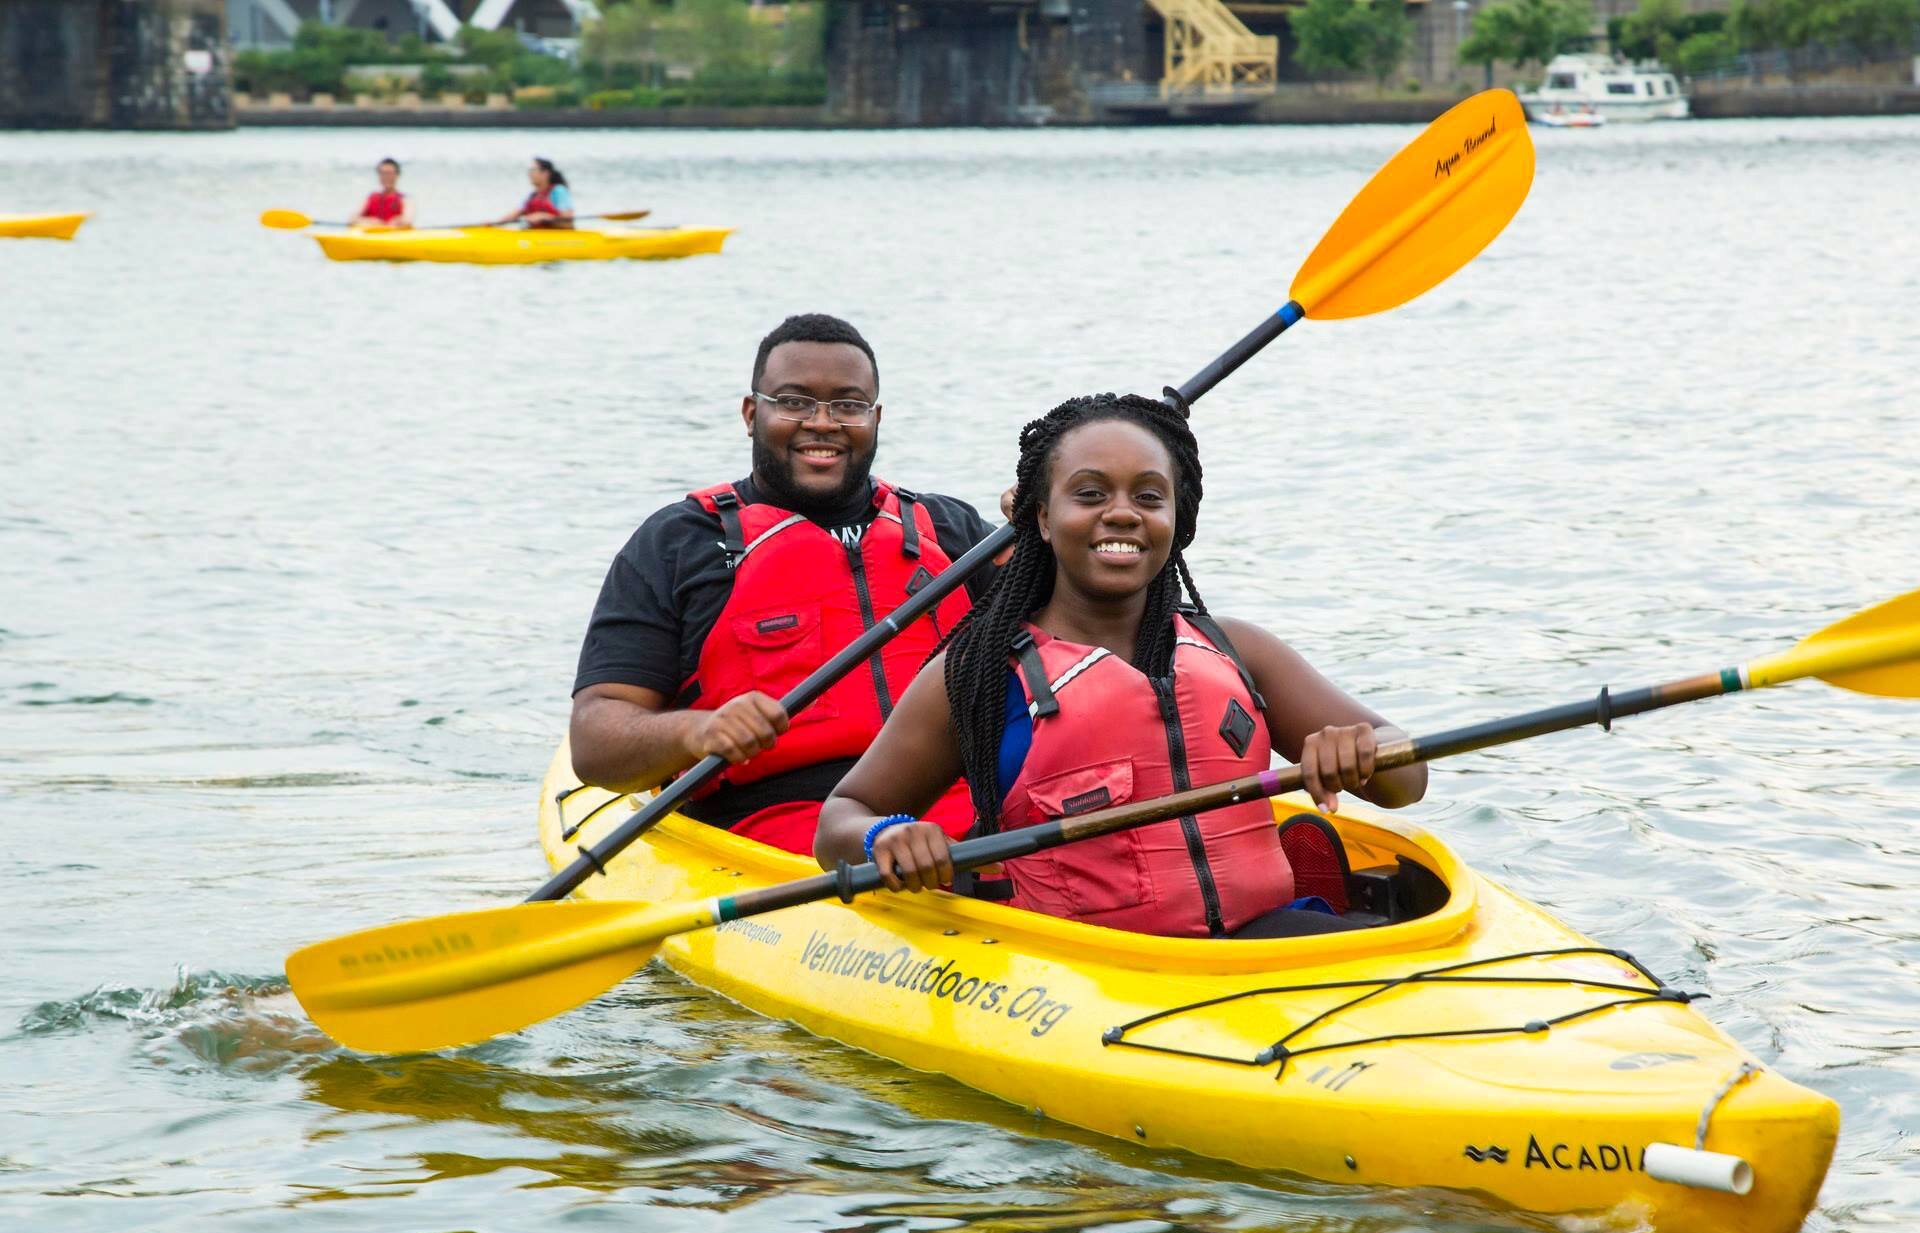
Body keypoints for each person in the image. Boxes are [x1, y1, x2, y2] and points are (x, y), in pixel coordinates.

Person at [814, 392, 1428, 939]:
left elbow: (1408, 780)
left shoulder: (1237, 649)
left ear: (1175, 520)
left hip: (1262, 943)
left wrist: (1366, 752)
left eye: (1149, 496)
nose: (1123, 513)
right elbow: (840, 819)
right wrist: (883, 836)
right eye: (1089, 494)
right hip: (1091, 971)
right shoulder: (978, 672)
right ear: (1042, 518)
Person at [569, 313, 1004, 855]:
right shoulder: (679, 542)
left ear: (876, 418)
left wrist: (1049, 525)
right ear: (752, 414)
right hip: (774, 834)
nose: (822, 423)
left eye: (848, 405)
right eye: (794, 401)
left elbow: (1082, 630)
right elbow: (594, 741)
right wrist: (695, 732)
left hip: (975, 816)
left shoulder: (952, 530)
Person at [498, 157, 573, 228]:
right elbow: (515, 214)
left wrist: (543, 216)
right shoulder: (532, 195)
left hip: (556, 239)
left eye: (533, 170)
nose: (530, 174)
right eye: (529, 170)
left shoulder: (558, 191)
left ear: (545, 173)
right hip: (535, 236)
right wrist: (495, 223)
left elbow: (567, 222)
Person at [352, 158, 411, 229]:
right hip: (371, 236)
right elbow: (352, 219)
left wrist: (398, 221)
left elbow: (407, 220)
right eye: (383, 173)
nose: (386, 177)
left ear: (397, 175)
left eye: (389, 173)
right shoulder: (371, 198)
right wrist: (371, 221)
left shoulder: (405, 199)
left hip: (394, 237)